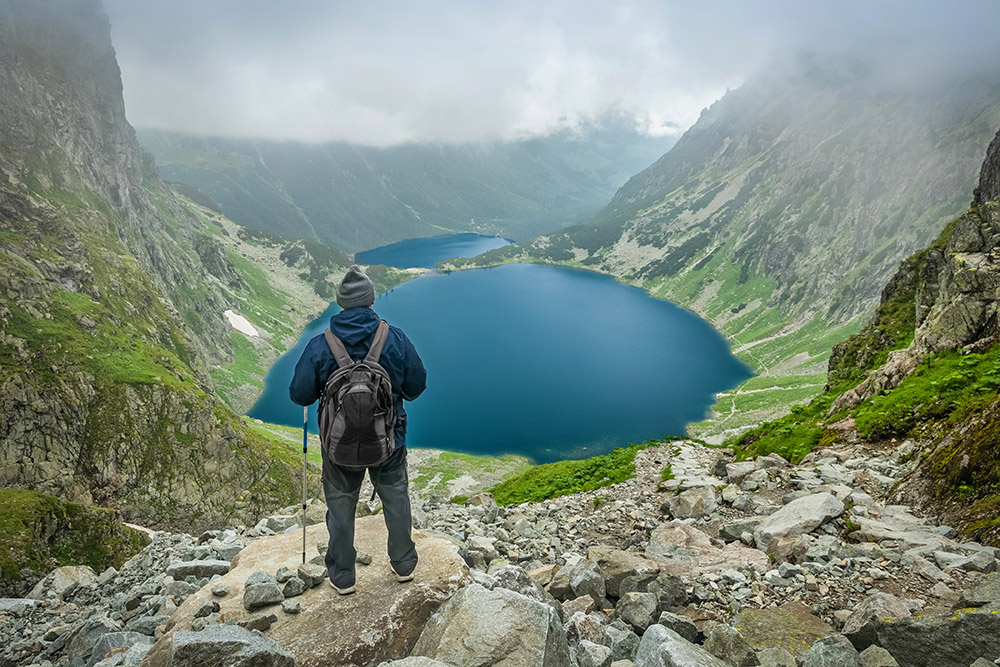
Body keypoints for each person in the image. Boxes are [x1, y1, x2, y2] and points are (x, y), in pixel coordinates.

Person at [289, 265, 427, 594]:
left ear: (340, 304)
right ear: (371, 300)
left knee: (340, 507)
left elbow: (299, 394)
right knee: (395, 498)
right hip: (388, 441)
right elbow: (417, 385)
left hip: (339, 446)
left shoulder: (321, 345)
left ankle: (342, 577)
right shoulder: (393, 337)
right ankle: (404, 564)